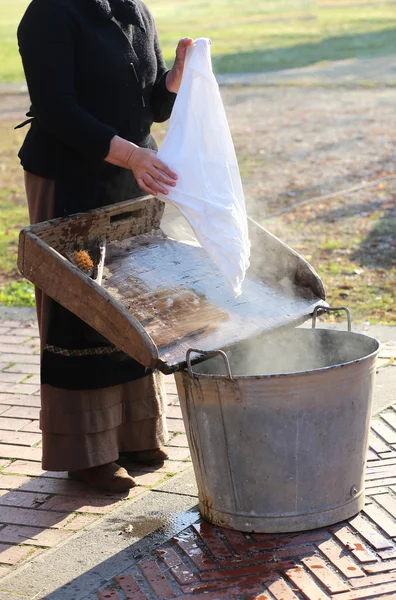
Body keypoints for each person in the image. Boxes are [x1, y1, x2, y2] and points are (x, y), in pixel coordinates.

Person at [17, 0, 193, 492]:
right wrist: (132, 154)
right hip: (70, 178)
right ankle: (86, 452)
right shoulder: (49, 13)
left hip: (131, 178)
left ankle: (136, 433)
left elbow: (150, 106)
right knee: (80, 306)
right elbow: (57, 110)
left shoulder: (134, 8)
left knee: (134, 296)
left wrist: (173, 80)